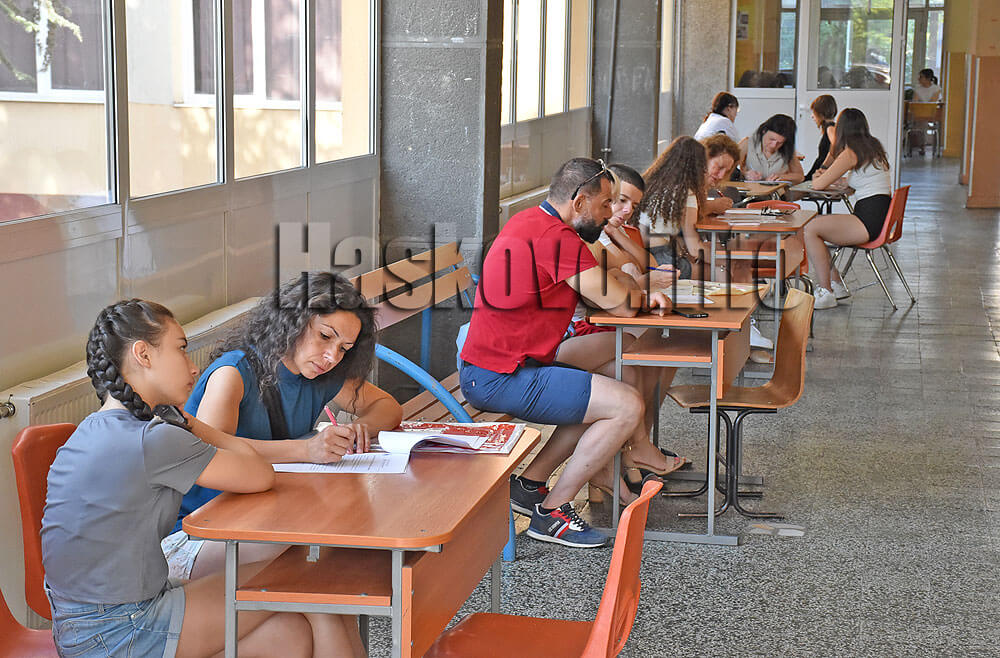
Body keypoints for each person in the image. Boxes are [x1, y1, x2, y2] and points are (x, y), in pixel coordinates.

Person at [41, 299, 364, 658]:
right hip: (120, 630)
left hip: (81, 630)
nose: (193, 367)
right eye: (181, 349)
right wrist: (191, 424)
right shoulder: (154, 438)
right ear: (143, 355)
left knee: (289, 636)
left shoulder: (92, 428)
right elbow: (260, 474)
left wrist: (182, 422)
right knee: (311, 583)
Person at [459, 157, 673, 549]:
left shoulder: (530, 221)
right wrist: (642, 295)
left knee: (616, 368)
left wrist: (627, 288)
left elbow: (605, 288)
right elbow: (620, 304)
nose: (608, 214)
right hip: (500, 376)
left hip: (503, 363)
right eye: (604, 204)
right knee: (625, 405)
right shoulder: (557, 239)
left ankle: (530, 484)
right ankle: (552, 512)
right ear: (578, 202)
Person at [167, 272, 403, 581]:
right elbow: (213, 449)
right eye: (325, 336)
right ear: (293, 322)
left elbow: (387, 407)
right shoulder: (233, 372)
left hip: (261, 516)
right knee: (317, 559)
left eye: (344, 348)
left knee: (341, 550)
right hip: (194, 532)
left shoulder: (321, 374)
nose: (332, 356)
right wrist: (306, 450)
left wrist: (361, 427)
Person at [805, 108, 892, 310]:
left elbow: (817, 185)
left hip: (867, 221)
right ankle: (836, 284)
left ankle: (826, 291)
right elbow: (857, 183)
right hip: (877, 216)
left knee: (810, 229)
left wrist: (819, 176)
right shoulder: (873, 147)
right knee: (815, 228)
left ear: (842, 129)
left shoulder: (850, 153)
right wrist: (841, 182)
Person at [739, 114, 805, 184]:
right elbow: (732, 170)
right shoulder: (747, 144)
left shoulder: (787, 149)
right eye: (771, 139)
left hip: (777, 190)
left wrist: (782, 177)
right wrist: (745, 174)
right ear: (764, 131)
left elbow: (800, 177)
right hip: (751, 190)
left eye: (779, 143)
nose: (774, 145)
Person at [805, 95, 838, 180]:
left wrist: (824, 166)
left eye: (814, 112)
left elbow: (836, 145)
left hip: (821, 171)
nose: (812, 116)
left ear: (820, 113)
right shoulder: (831, 127)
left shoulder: (830, 128)